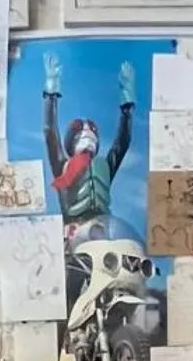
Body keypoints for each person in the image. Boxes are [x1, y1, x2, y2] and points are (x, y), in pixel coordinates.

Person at [42, 52, 135, 245]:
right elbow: (50, 131)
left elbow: (122, 142)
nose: (87, 133)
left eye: (92, 130)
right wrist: (51, 93)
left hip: (103, 229)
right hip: (74, 230)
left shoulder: (104, 167)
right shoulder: (63, 166)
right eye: (79, 130)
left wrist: (127, 106)